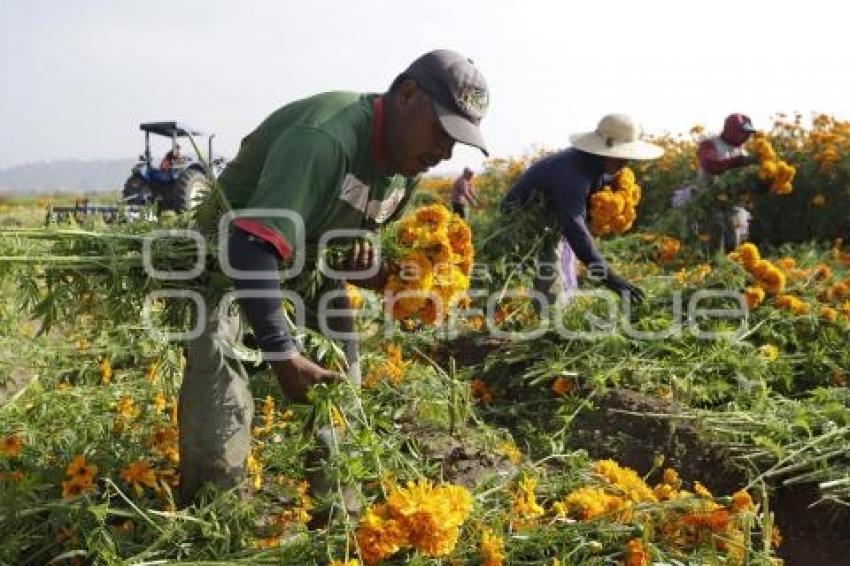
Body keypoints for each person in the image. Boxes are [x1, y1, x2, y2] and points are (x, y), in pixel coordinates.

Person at [178, 49, 489, 509]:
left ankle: (336, 512)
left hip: (305, 265)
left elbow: (344, 249)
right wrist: (283, 355)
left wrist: (391, 277)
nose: (445, 151)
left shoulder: (405, 168)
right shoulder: (326, 138)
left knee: (338, 381)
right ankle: (215, 518)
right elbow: (249, 246)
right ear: (406, 94)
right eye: (442, 130)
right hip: (228, 261)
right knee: (219, 382)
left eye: (456, 142)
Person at [502, 114, 662, 308]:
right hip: (523, 224)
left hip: (553, 221)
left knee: (561, 277)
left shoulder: (595, 165)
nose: (625, 162)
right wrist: (613, 279)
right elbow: (576, 232)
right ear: (604, 151)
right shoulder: (573, 175)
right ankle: (550, 327)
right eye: (621, 156)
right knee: (550, 290)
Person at [672, 113, 757, 251]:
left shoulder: (744, 152)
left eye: (748, 133)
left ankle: (727, 269)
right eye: (743, 132)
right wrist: (738, 162)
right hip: (706, 199)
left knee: (732, 239)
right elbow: (710, 165)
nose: (746, 137)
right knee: (715, 231)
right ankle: (710, 266)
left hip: (730, 203)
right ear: (732, 130)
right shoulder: (710, 144)